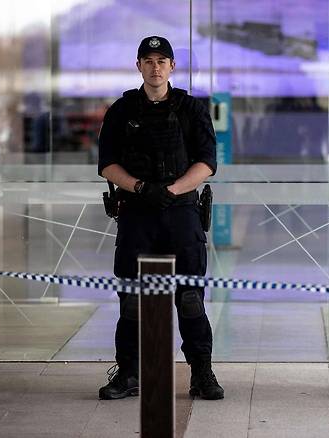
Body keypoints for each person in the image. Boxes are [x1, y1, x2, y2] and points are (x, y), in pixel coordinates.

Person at [97, 36, 223, 400]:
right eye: (148, 60)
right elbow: (107, 164)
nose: (155, 67)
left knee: (190, 299)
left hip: (182, 213)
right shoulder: (122, 110)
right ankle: (130, 374)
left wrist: (172, 190)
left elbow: (207, 163)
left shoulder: (191, 109)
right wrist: (140, 188)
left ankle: (202, 374)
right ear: (138, 65)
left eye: (161, 61)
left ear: (171, 66)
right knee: (132, 300)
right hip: (137, 214)